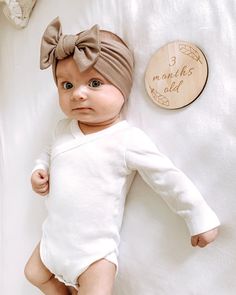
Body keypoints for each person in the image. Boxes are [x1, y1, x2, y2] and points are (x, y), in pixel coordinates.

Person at [24, 17, 220, 295]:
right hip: (52, 241)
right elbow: (48, 152)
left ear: (123, 88)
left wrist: (198, 216)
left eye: (94, 83)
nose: (78, 94)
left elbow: (166, 176)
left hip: (93, 254)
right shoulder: (62, 128)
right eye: (67, 86)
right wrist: (39, 169)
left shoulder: (126, 139)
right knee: (33, 273)